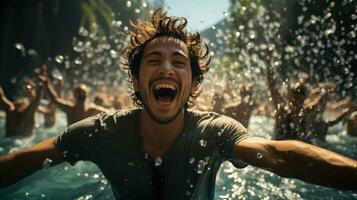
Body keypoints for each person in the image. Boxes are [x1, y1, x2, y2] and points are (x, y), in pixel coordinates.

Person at [0, 9, 356, 200]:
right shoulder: (99, 133)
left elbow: (280, 155)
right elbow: (23, 160)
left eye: (179, 61)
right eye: (153, 60)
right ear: (138, 80)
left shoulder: (214, 132)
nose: (166, 67)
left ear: (193, 84)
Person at [41, 76, 108, 125]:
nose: (81, 94)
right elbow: (55, 100)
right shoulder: (69, 109)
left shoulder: (92, 110)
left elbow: (110, 113)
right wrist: (47, 85)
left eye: (84, 92)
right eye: (79, 92)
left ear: (87, 94)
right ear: (74, 94)